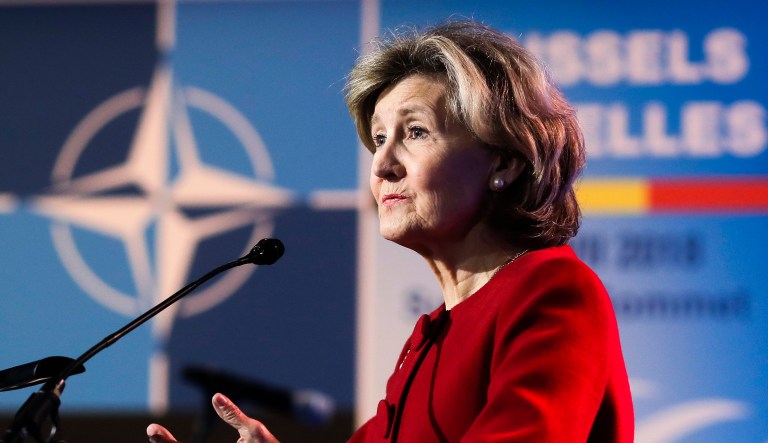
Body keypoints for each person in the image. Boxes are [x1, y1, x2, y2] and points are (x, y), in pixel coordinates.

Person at [147, 20, 634, 443]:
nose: (381, 164)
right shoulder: (430, 337)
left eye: (416, 132)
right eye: (379, 138)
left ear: (503, 162)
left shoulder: (551, 292)